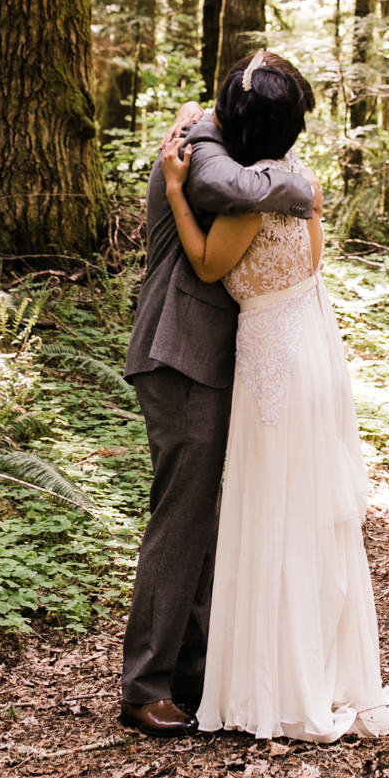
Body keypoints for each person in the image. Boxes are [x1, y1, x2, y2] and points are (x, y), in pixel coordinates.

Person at [159, 51, 389, 742]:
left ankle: (278, 681)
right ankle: (319, 667)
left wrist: (179, 190)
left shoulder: (257, 197)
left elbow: (211, 263)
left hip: (273, 357)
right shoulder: (301, 182)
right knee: (306, 515)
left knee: (274, 513)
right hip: (309, 345)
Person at [117, 84, 316, 736]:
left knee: (201, 520)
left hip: (203, 358)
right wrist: (293, 186)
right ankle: (145, 685)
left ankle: (191, 677)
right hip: (181, 353)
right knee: (182, 522)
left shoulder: (215, 142)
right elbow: (239, 193)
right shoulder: (202, 145)